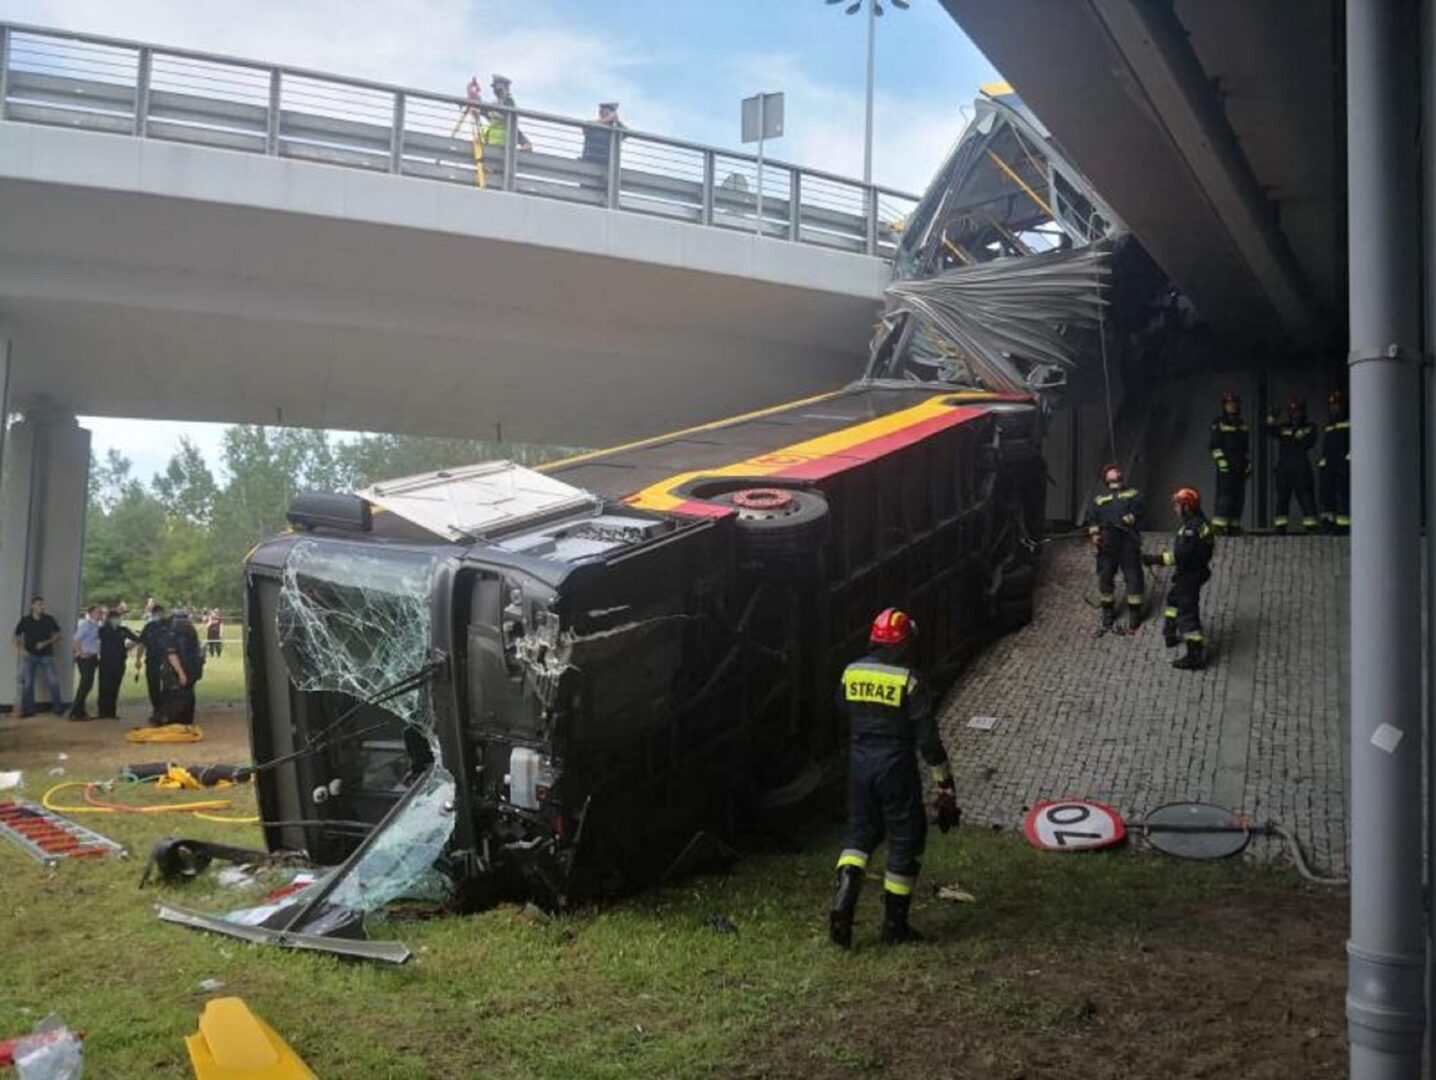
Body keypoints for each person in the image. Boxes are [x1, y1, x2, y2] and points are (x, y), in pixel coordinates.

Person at [829, 608, 958, 948]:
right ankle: (895, 926)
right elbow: (928, 740)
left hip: (859, 763)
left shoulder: (851, 672)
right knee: (906, 837)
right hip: (895, 766)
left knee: (860, 831)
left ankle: (845, 891)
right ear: (903, 643)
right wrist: (944, 783)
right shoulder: (909, 680)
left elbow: (842, 711)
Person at [1143, 488, 1215, 670]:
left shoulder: (1191, 530)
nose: (1174, 508)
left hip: (1190, 574)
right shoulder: (1198, 523)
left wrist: (1154, 559)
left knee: (1187, 614)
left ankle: (1194, 655)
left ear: (1187, 508)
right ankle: (1169, 631)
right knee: (1174, 599)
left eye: (1177, 505)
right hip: (1193, 572)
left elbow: (1180, 556)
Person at [1081, 463, 1145, 634]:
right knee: (1105, 578)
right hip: (1107, 544)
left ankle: (1135, 615)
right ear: (1106, 477)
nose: (1117, 471)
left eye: (1118, 469)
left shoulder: (1133, 494)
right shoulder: (1099, 499)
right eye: (1112, 470)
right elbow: (1092, 519)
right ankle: (1107, 614)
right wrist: (1095, 535)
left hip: (1128, 542)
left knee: (1133, 577)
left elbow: (1139, 511)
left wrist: (1126, 520)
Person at [1264, 395, 1319, 532]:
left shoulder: (1310, 427)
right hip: (1284, 470)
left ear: (1303, 411)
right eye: (1292, 411)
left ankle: (1311, 527)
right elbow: (1268, 430)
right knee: (1282, 499)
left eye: (1297, 411)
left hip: (1301, 470)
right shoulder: (1283, 428)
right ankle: (1280, 527)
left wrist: (1300, 434)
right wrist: (1271, 417)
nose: (1294, 414)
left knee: (1306, 498)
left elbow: (1310, 441)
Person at [1207, 391, 1251, 534]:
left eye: (1235, 404)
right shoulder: (1219, 422)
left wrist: (1248, 463)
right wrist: (1222, 463)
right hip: (1226, 467)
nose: (1232, 407)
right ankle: (1219, 526)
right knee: (1225, 496)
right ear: (1224, 406)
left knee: (1238, 497)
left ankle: (1234, 525)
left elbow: (1246, 448)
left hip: (1239, 466)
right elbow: (1214, 445)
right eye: (1229, 404)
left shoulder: (1242, 424)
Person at [12, 596, 63, 717]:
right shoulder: (25, 620)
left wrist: (45, 642)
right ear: (32, 606)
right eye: (39, 604)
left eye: (42, 604)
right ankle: (30, 709)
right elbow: (15, 638)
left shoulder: (49, 619)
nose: (42, 607)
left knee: (53, 681)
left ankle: (58, 707)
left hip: (47, 655)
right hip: (29, 655)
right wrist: (22, 650)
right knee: (28, 682)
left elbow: (58, 635)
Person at [156, 609, 204, 726]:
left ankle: (185, 722)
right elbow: (172, 655)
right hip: (174, 673)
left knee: (187, 697)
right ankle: (171, 721)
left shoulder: (190, 633)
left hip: (189, 671)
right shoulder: (171, 635)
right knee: (175, 697)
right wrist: (181, 673)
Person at [97, 608, 139, 719]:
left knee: (115, 687)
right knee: (104, 687)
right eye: (115, 618)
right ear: (110, 619)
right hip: (106, 662)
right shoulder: (102, 630)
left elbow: (136, 639)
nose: (118, 620)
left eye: (118, 618)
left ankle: (111, 712)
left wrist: (129, 647)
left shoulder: (123, 630)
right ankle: (102, 711)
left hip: (119, 662)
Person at [1319, 389, 1351, 534]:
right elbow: (1326, 446)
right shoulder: (1330, 425)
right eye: (1331, 405)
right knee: (1328, 496)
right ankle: (1329, 524)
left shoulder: (1349, 423)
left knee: (1343, 496)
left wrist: (1347, 461)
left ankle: (1344, 526)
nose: (1333, 408)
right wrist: (1323, 462)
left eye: (1336, 405)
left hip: (1344, 466)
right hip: (1330, 467)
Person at [69, 604, 104, 720]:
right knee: (85, 685)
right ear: (91, 613)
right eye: (98, 612)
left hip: (93, 657)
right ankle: (75, 712)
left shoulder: (96, 626)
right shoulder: (86, 625)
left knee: (88, 685)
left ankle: (81, 711)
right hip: (85, 658)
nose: (101, 614)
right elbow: (76, 639)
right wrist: (81, 653)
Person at [137, 604, 171, 719]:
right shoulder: (148, 627)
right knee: (153, 686)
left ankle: (166, 709)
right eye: (155, 613)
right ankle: (157, 710)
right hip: (152, 659)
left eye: (160, 613)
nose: (158, 615)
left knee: (168, 685)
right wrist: (138, 659)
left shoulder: (169, 625)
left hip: (167, 660)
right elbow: (142, 644)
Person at [482, 75, 532, 153]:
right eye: (495, 89)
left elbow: (510, 120)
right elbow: (487, 114)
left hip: (504, 146)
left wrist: (495, 114)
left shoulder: (508, 101)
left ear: (505, 88)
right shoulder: (496, 102)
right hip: (493, 143)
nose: (496, 91)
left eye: (499, 89)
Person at [581, 101, 626, 170]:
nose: (609, 114)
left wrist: (618, 121)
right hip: (589, 160)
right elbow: (585, 128)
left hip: (606, 164)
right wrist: (606, 120)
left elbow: (627, 133)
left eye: (611, 112)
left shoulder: (613, 131)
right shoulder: (593, 124)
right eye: (606, 112)